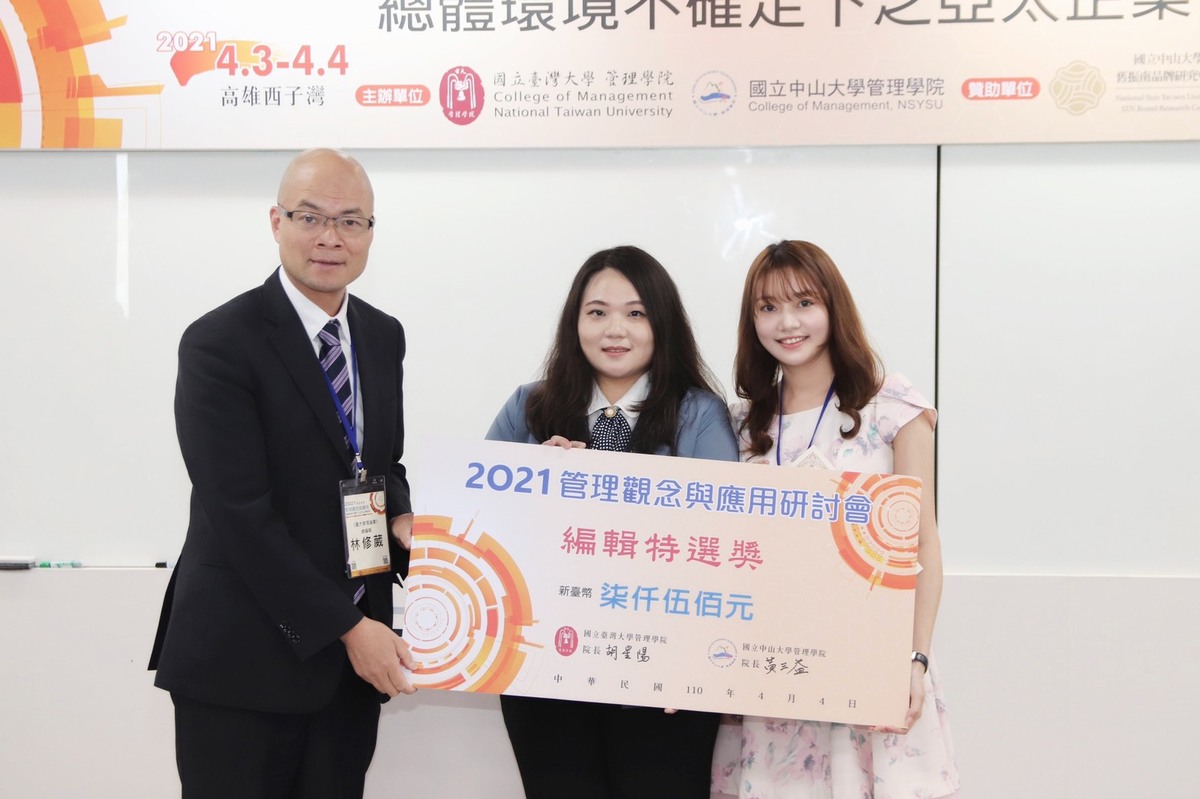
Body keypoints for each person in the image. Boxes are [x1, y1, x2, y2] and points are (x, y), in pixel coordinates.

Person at [148, 148, 417, 799]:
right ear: (276, 221)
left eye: (352, 221)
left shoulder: (382, 336)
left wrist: (409, 526)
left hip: (346, 674)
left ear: (372, 232)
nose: (331, 237)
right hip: (243, 662)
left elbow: (380, 466)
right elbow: (241, 513)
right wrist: (352, 629)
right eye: (310, 217)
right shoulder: (220, 342)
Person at [486, 245, 740, 799]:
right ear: (574, 322)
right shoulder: (528, 407)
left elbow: (722, 539)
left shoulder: (699, 414)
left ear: (661, 324)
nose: (614, 329)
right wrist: (535, 484)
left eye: (636, 312)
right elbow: (479, 523)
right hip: (546, 670)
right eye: (596, 312)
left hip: (662, 674)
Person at [710, 241, 959, 799]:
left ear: (833, 307)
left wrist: (913, 659)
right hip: (770, 667)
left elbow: (924, 545)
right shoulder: (741, 423)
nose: (787, 322)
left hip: (871, 660)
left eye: (803, 302)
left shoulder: (890, 408)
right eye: (767, 308)